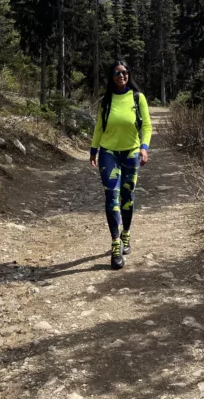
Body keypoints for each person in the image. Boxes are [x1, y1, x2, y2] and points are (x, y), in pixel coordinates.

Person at [90, 59, 152, 270]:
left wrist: (144, 147)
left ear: (128, 74)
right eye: (116, 73)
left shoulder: (137, 97)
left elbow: (148, 125)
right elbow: (99, 126)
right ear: (111, 76)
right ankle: (116, 243)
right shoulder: (105, 101)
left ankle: (126, 233)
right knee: (111, 195)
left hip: (132, 153)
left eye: (124, 72)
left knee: (127, 196)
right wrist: (94, 148)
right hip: (109, 153)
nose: (121, 76)